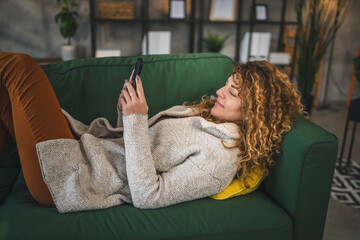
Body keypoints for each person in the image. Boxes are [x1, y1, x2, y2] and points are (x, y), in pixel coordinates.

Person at [0, 52, 305, 213]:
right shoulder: (205, 115)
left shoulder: (220, 160)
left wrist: (135, 121)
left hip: (69, 178)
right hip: (81, 151)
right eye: (226, 84)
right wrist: (126, 113)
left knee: (20, 66)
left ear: (255, 111)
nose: (219, 91)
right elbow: (136, 146)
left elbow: (148, 196)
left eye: (233, 92)